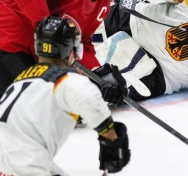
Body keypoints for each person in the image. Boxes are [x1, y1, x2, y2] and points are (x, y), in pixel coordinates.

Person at [0, 0, 139, 100]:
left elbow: (81, 42)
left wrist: (98, 74)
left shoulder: (103, 3)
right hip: (8, 40)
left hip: (34, 53)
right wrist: (48, 27)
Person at [0, 16, 130, 175]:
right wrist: (113, 145)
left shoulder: (20, 80)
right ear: (71, 50)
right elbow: (93, 106)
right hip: (26, 167)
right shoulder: (67, 80)